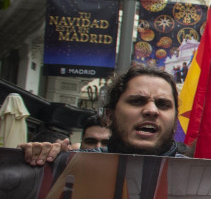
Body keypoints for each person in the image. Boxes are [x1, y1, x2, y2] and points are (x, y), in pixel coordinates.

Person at [20, 65, 184, 164]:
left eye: (163, 104)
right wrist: (37, 160)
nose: (152, 110)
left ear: (175, 120)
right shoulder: (68, 166)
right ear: (109, 117)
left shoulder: (199, 178)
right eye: (137, 101)